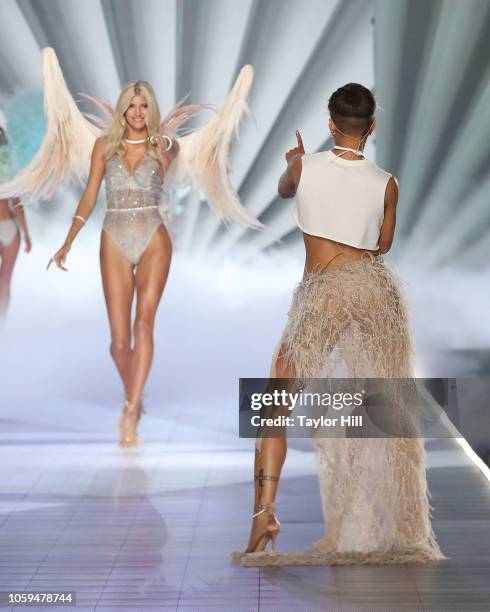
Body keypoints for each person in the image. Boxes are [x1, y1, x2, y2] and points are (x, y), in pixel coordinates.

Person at [0, 47, 259, 448]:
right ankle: (133, 396)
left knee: (144, 325)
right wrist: (68, 241)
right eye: (132, 105)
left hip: (153, 235)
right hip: (113, 236)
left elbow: (176, 156)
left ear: (150, 109)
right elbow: (88, 197)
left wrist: (167, 144)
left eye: (144, 105)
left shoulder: (165, 147)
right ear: (123, 109)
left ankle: (130, 411)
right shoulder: (103, 146)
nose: (137, 111)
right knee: (118, 342)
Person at [234, 83, 444, 566]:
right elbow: (382, 244)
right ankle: (388, 526)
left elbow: (286, 189)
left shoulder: (304, 167)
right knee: (385, 409)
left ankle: (264, 513)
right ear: (372, 126)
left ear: (332, 124)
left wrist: (297, 160)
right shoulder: (387, 181)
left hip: (325, 293)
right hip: (375, 292)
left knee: (275, 404)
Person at [0, 127, 32, 320]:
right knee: (5, 281)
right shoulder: (8, 169)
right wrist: (26, 235)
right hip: (10, 227)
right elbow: (17, 205)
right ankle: (2, 324)